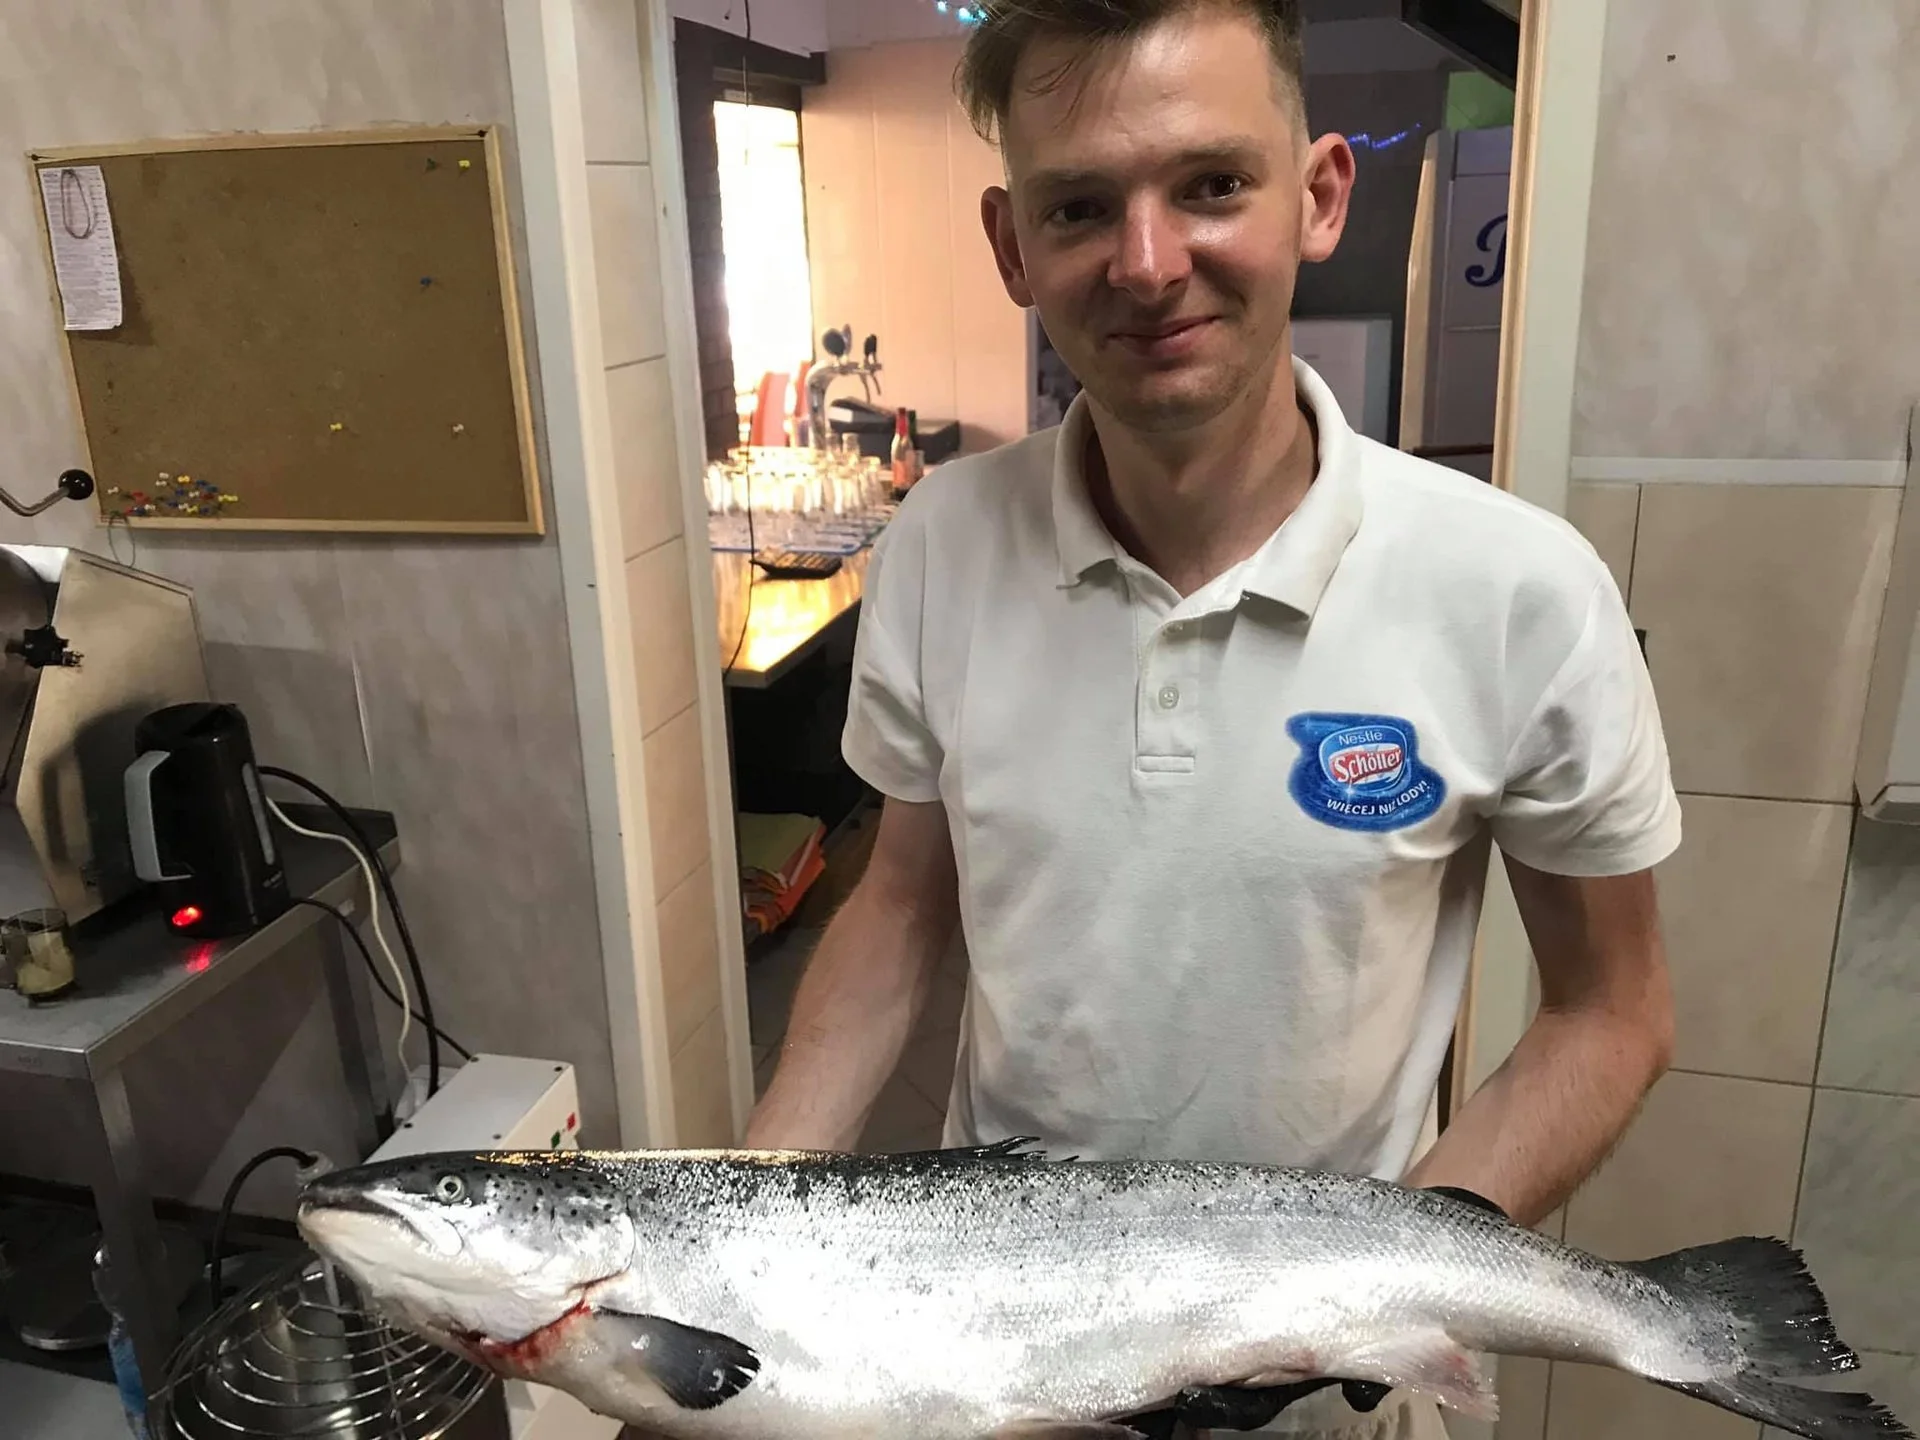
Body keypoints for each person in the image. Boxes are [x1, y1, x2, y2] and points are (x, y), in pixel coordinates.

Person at [745, 1, 1681, 1434]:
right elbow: (900, 911)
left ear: (1316, 196)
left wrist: (1362, 1286)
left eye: (1211, 185)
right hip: (994, 1362)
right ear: (1012, 246)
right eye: (1080, 205)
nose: (1146, 263)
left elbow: (1611, 1014)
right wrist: (746, 1241)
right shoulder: (938, 540)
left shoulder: (1519, 591)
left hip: (1334, 1392)